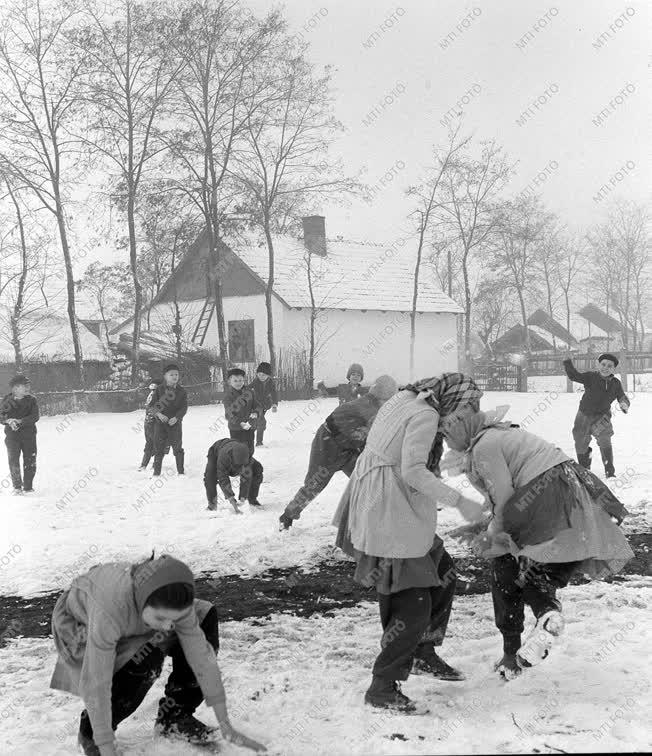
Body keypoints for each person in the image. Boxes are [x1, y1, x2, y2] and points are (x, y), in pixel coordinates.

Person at [442, 407, 634, 680]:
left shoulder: (485, 446)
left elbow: (504, 497)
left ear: (461, 427)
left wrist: (490, 535)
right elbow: (503, 495)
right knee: (540, 574)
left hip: (542, 497)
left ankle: (511, 654)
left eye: (447, 434)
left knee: (504, 563)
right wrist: (484, 526)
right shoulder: (498, 435)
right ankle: (547, 614)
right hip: (569, 493)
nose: (446, 443)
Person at [332, 373, 486, 713]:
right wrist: (461, 502)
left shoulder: (409, 397)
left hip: (389, 498)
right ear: (453, 401)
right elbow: (414, 471)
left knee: (443, 572)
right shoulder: (425, 414)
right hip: (389, 506)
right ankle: (383, 686)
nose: (464, 417)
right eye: (465, 409)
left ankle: (423, 652)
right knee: (411, 601)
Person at [50, 553, 266, 756]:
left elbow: (202, 657)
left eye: (174, 620)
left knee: (204, 615)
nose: (169, 627)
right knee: (146, 657)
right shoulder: (109, 611)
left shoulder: (172, 605)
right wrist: (104, 743)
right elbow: (96, 681)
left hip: (138, 618)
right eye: (162, 619)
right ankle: (90, 733)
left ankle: (175, 718)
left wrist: (225, 722)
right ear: (144, 602)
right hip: (83, 629)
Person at [279, 375, 398, 531]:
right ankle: (287, 516)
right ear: (383, 396)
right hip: (328, 446)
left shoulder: (375, 406)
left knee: (368, 479)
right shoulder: (369, 408)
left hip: (349, 449)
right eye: (390, 399)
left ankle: (373, 520)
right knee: (314, 484)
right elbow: (374, 435)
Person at [563, 352, 630, 477]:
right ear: (598, 365)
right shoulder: (590, 377)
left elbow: (621, 396)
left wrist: (624, 403)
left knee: (605, 440)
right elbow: (573, 376)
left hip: (602, 417)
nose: (606, 368)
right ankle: (584, 469)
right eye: (603, 364)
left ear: (614, 368)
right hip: (584, 415)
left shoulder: (615, 383)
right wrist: (567, 362)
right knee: (580, 441)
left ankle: (609, 471)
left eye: (610, 366)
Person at [0, 375, 39, 494]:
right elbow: (1, 416)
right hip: (12, 437)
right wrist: (9, 421)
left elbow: (35, 416)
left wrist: (20, 421)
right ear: (15, 388)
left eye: (29, 385)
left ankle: (28, 487)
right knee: (13, 460)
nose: (28, 388)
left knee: (30, 460)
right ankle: (17, 487)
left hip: (29, 436)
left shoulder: (32, 400)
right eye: (25, 386)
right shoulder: (7, 400)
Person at [204, 438, 264, 513]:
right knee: (210, 477)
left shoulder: (247, 456)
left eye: (243, 465)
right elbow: (223, 478)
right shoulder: (224, 457)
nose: (241, 468)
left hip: (236, 452)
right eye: (239, 465)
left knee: (257, 469)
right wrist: (231, 499)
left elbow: (246, 477)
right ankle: (212, 505)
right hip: (216, 452)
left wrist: (243, 497)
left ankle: (252, 500)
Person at [148, 364, 188, 476]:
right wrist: (159, 415)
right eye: (171, 374)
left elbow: (184, 408)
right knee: (158, 448)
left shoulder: (182, 391)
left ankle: (181, 472)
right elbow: (152, 406)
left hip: (175, 424)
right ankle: (156, 473)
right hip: (160, 424)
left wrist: (177, 418)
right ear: (165, 376)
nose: (175, 376)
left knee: (178, 448)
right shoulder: (159, 390)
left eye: (176, 374)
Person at [223, 368, 259, 456]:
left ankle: (248, 466)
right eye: (235, 381)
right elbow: (229, 414)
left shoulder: (249, 392)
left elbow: (257, 406)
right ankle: (238, 468)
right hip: (236, 428)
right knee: (238, 450)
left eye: (240, 380)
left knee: (250, 448)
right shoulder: (228, 396)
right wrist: (240, 423)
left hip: (250, 426)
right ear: (230, 381)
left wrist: (256, 413)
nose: (238, 383)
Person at [138, 378, 169, 471]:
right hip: (155, 423)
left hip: (150, 422)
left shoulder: (153, 395)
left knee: (152, 444)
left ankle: (145, 465)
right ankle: (150, 465)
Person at [248, 362, 278, 447]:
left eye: (263, 375)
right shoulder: (256, 381)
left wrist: (274, 404)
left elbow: (274, 393)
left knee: (254, 423)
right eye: (259, 374)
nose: (261, 377)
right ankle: (259, 442)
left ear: (268, 375)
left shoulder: (271, 382)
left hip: (265, 405)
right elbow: (248, 388)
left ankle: (246, 438)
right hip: (255, 405)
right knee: (261, 422)